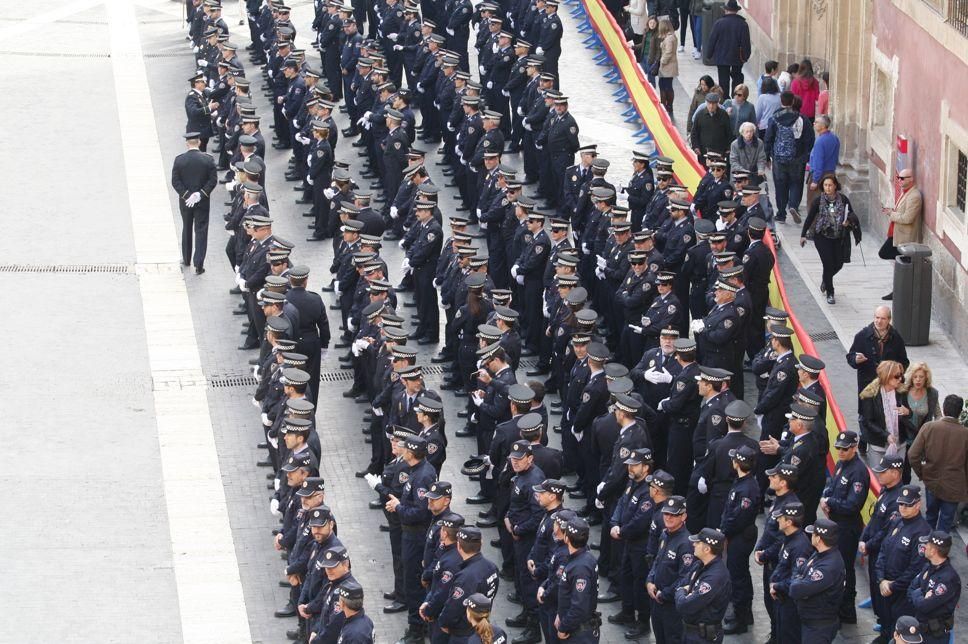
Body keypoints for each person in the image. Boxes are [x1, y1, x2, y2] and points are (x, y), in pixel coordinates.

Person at [820, 430, 868, 623]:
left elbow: (853, 505)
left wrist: (830, 501)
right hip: (835, 523)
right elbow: (832, 484)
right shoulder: (841, 464)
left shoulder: (858, 472)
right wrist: (826, 497)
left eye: (844, 449)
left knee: (846, 568)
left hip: (847, 527)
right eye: (838, 448)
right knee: (836, 567)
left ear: (855, 448)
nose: (840, 452)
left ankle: (847, 611)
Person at [873, 485, 930, 638]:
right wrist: (881, 580)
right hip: (885, 585)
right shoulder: (897, 521)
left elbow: (915, 569)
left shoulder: (922, 533)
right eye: (901, 504)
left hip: (901, 592)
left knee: (898, 629)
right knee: (885, 621)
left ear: (918, 505)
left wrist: (893, 585)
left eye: (908, 504)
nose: (903, 508)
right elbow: (883, 551)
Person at [909, 394, 968, 532]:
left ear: (944, 408)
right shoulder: (965, 434)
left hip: (931, 480)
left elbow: (913, 455)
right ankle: (939, 550)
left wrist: (922, 473)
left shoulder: (929, 427)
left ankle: (925, 547)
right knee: (946, 521)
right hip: (954, 485)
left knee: (930, 516)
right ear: (959, 412)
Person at [799, 173, 860, 304]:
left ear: (835, 186)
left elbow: (852, 215)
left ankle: (825, 279)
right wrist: (803, 235)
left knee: (838, 264)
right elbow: (809, 218)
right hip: (822, 236)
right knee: (828, 264)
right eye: (825, 185)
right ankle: (830, 292)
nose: (827, 188)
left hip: (838, 237)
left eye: (830, 185)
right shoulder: (818, 201)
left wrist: (848, 222)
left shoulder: (843, 200)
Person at [788, 518, 845, 643]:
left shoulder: (828, 566)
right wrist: (799, 578)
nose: (811, 536)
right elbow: (799, 570)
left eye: (813, 534)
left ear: (819, 539)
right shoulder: (820, 553)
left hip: (819, 626)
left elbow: (795, 590)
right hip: (810, 620)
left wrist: (797, 580)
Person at [171, 131, 218, 274]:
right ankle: (199, 264)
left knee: (186, 227)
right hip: (202, 202)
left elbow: (175, 181)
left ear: (187, 143)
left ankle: (186, 258)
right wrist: (200, 194)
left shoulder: (179, 160)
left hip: (185, 202)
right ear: (199, 142)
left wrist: (187, 195)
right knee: (201, 230)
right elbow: (213, 180)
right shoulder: (208, 160)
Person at [765, 91, 814, 223]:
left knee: (780, 185)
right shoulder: (802, 119)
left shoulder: (774, 118)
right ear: (793, 102)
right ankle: (793, 206)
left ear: (781, 101)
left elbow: (768, 138)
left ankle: (781, 214)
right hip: (797, 158)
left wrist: (767, 156)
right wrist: (806, 154)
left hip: (779, 159)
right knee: (796, 183)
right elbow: (810, 139)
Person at [676, 528, 731, 643]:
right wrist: (684, 590)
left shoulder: (715, 577)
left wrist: (682, 591)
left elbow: (685, 605)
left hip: (703, 637)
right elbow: (681, 584)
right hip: (690, 631)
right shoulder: (700, 565)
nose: (693, 544)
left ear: (707, 549)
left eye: (698, 542)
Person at [908, 531, 961, 644]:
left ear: (933, 551)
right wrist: (921, 595)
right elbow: (910, 589)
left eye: (927, 544)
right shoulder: (928, 567)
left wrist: (917, 594)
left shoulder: (948, 579)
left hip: (934, 636)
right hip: (919, 628)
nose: (924, 547)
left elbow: (924, 606)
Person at [859, 360, 914, 465]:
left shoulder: (901, 392)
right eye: (897, 376)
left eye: (901, 375)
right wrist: (886, 435)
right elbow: (868, 422)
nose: (900, 379)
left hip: (899, 444)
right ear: (887, 376)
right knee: (879, 477)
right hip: (878, 445)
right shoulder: (870, 395)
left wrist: (907, 412)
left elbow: (909, 413)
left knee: (897, 477)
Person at [880, 167, 923, 300]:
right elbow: (902, 213)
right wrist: (892, 211)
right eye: (899, 177)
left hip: (905, 238)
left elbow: (907, 218)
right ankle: (898, 292)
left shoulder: (914, 196)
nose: (899, 180)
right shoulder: (906, 192)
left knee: (886, 253)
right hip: (896, 234)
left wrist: (891, 214)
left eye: (902, 178)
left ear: (911, 179)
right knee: (898, 263)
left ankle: (901, 292)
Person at [846, 306, 909, 393]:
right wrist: (855, 359)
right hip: (867, 386)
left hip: (889, 386)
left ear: (889, 320)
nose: (879, 321)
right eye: (877, 317)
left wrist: (894, 374)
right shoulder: (862, 336)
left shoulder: (896, 338)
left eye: (883, 318)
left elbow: (904, 362)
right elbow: (850, 357)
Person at [901, 361, 940, 482]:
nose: (918, 380)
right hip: (905, 437)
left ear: (926, 378)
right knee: (904, 472)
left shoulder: (932, 393)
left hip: (923, 438)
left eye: (921, 377)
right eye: (915, 376)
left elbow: (938, 414)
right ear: (911, 377)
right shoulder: (903, 392)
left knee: (926, 470)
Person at [704, 0, 750, 96]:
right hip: (737, 57)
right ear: (736, 11)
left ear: (726, 10)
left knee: (723, 80)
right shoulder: (743, 24)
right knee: (737, 78)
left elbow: (712, 40)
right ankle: (737, 98)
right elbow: (746, 43)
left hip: (722, 57)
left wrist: (709, 54)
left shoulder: (719, 23)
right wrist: (746, 56)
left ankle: (725, 99)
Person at [690, 93, 733, 165]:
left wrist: (728, 148)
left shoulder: (723, 115)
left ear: (717, 104)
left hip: (719, 152)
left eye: (713, 104)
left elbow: (729, 132)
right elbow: (694, 133)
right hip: (704, 153)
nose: (711, 106)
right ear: (706, 103)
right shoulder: (700, 115)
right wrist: (696, 147)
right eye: (709, 103)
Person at [806, 115, 840, 205]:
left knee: (813, 202)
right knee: (828, 201)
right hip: (831, 173)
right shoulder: (834, 138)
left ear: (823, 126)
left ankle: (814, 219)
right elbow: (836, 158)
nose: (814, 123)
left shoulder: (820, 141)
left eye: (816, 122)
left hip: (820, 175)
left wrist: (815, 180)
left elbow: (818, 162)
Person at [656, 18, 678, 116]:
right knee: (666, 86)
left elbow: (668, 52)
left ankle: (666, 106)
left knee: (665, 86)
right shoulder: (670, 37)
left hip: (667, 67)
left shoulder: (669, 38)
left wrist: (662, 61)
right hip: (669, 67)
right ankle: (668, 106)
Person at [790, 59, 820, 123]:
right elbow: (817, 97)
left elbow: (792, 98)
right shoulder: (815, 82)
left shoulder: (795, 82)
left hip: (798, 112)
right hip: (811, 113)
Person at [640, 16, 661, 87]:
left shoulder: (658, 35)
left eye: (654, 23)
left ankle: (653, 94)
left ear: (656, 24)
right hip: (643, 57)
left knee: (651, 79)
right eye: (650, 23)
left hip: (651, 59)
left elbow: (659, 49)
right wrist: (633, 46)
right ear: (648, 23)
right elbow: (643, 44)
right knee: (642, 75)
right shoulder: (646, 31)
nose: (652, 25)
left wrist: (656, 61)